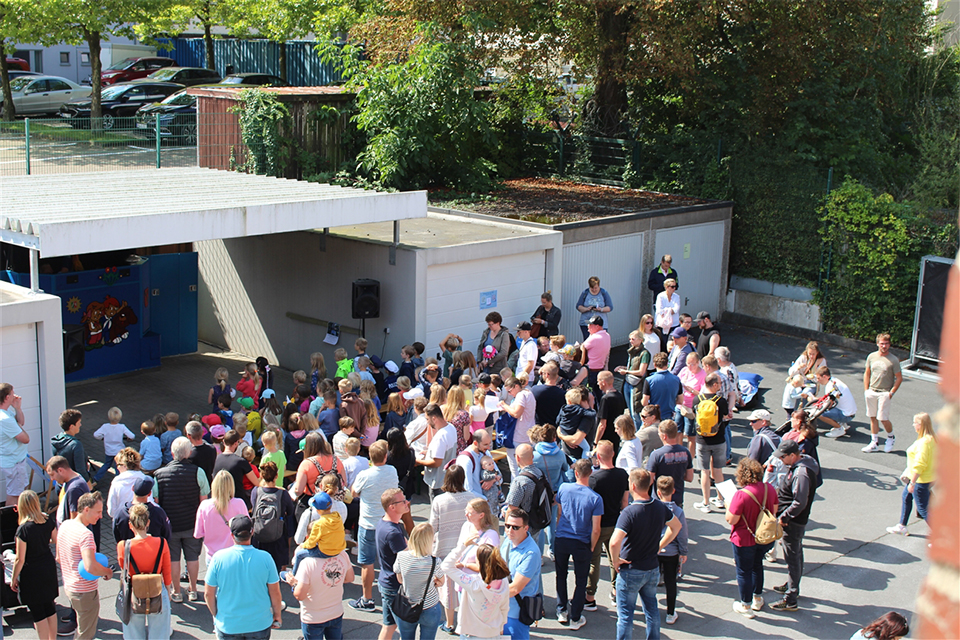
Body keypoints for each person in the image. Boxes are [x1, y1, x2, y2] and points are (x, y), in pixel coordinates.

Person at [610, 469, 681, 640]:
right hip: (652, 569)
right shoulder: (659, 507)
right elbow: (676, 526)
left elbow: (614, 542)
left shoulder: (629, 512)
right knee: (652, 610)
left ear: (633, 486)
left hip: (631, 570)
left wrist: (615, 561)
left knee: (626, 616)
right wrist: (659, 545)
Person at [205, 515, 283, 639]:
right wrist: (277, 615)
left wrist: (217, 615)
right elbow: (275, 592)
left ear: (232, 535)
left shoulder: (218, 558)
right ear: (252, 532)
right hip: (259, 624)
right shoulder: (266, 558)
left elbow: (208, 593)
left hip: (228, 625)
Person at [153, 436, 209, 603]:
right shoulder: (198, 472)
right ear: (189, 453)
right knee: (192, 558)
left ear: (171, 453)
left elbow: (157, 503)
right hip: (192, 524)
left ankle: (176, 591)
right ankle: (193, 590)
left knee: (173, 560)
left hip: (170, 526)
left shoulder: (159, 474)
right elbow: (203, 501)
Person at [284, 510, 355, 640]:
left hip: (313, 617)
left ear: (309, 537)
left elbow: (300, 595)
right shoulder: (342, 554)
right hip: (336, 612)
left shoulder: (307, 563)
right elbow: (350, 578)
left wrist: (293, 583)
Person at [350, 440, 400, 611]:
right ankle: (394, 593)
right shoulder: (392, 471)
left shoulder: (365, 475)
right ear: (386, 456)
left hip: (368, 524)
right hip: (388, 522)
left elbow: (354, 493)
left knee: (367, 563)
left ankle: (367, 599)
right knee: (391, 560)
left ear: (370, 458)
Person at [770, 439, 820, 611]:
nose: (781, 460)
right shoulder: (804, 463)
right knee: (796, 553)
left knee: (792, 557)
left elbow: (799, 502)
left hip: (793, 522)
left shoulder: (801, 473)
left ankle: (791, 597)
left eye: (783, 457)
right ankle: (792, 585)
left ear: (793, 455)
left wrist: (784, 517)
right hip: (794, 519)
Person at [725, 458, 778, 619]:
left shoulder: (741, 495)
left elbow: (731, 519)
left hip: (744, 539)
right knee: (757, 566)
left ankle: (745, 605)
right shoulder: (769, 488)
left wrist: (729, 506)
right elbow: (774, 511)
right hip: (764, 537)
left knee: (743, 571)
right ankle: (757, 598)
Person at [56, 491, 113, 640]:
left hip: (70, 587)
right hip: (85, 592)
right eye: (98, 512)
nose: (100, 516)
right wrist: (107, 571)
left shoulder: (65, 525)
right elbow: (90, 567)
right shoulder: (85, 535)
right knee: (86, 633)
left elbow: (58, 557)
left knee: (81, 628)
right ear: (86, 509)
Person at [555, 458, 603, 630]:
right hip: (582, 541)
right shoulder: (596, 498)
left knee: (561, 575)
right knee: (581, 579)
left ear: (575, 473)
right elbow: (596, 529)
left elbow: (560, 514)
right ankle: (576, 616)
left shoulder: (563, 488)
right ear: (590, 473)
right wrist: (592, 545)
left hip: (562, 539)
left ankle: (561, 610)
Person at [428, 466, 475, 633]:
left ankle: (449, 623)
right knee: (466, 583)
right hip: (466, 549)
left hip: (445, 548)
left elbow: (433, 527)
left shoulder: (439, 501)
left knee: (448, 588)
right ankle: (466, 620)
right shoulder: (472, 498)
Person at [117, 503, 173, 640]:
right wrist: (168, 590)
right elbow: (166, 570)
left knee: (133, 634)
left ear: (130, 525)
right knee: (160, 634)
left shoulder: (123, 546)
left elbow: (123, 568)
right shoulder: (161, 542)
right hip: (158, 590)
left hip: (133, 593)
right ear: (148, 522)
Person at [586, 442, 629, 612]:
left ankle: (590, 597)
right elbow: (625, 503)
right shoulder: (622, 475)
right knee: (615, 560)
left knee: (594, 561)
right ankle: (616, 592)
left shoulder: (594, 479)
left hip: (598, 525)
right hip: (616, 524)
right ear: (613, 454)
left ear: (598, 457)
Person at [10, 490, 58, 640]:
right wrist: (42, 542)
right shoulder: (47, 519)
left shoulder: (23, 529)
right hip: (48, 566)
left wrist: (13, 578)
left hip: (32, 572)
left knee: (38, 612)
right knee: (50, 607)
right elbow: (55, 540)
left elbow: (20, 559)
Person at [440, 539, 511, 638]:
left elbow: (446, 565)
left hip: (472, 634)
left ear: (480, 563)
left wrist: (463, 545)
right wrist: (501, 627)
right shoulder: (503, 581)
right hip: (493, 633)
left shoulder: (473, 583)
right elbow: (504, 608)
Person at [887, 412, 937, 535]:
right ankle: (902, 525)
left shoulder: (924, 442)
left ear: (920, 425)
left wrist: (913, 482)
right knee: (906, 497)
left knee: (923, 508)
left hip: (920, 480)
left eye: (915, 423)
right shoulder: (931, 439)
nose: (913, 425)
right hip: (926, 478)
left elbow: (920, 464)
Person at [394, 523, 445, 640]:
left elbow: (400, 579)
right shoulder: (435, 562)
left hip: (407, 606)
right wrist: (434, 582)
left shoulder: (401, 556)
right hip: (430, 607)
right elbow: (441, 582)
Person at [375, 488, 412, 640]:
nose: (407, 503)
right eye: (402, 501)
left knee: (389, 625)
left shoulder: (385, 523)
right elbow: (407, 559)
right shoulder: (393, 533)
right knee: (405, 630)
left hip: (386, 582)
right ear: (392, 507)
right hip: (395, 587)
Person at [500, 508, 542, 640]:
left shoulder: (531, 553)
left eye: (515, 527)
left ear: (526, 528)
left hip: (516, 613)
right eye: (507, 526)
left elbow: (516, 588)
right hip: (501, 608)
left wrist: (488, 595)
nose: (510, 530)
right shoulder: (508, 540)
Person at [692, 374, 730, 514]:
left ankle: (706, 502)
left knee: (705, 471)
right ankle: (720, 499)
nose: (720, 385)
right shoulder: (721, 401)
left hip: (702, 441)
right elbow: (725, 416)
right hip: (719, 440)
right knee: (718, 470)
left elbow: (694, 416)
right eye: (719, 383)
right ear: (714, 385)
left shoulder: (697, 399)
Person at [290, 431, 347, 521]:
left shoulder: (306, 464)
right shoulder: (336, 459)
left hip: (313, 503)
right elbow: (344, 482)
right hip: (335, 502)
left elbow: (298, 490)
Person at [251, 461, 297, 571]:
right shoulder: (283, 493)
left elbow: (253, 508)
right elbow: (290, 511)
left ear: (261, 475)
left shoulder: (256, 491)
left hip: (260, 533)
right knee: (275, 566)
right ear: (276, 475)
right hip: (278, 535)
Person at [194, 470, 248, 564]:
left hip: (213, 557)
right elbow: (247, 527)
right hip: (235, 556)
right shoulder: (239, 503)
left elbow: (198, 533)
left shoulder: (205, 506)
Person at [530, 424, 568, 557]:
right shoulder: (560, 454)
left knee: (539, 525)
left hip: (539, 493)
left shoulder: (534, 456)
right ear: (554, 438)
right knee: (552, 523)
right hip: (554, 493)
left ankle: (539, 554)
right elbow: (565, 468)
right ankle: (552, 550)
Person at [863, 333, 903, 453]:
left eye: (886, 343)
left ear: (889, 345)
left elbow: (899, 378)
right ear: (877, 344)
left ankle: (890, 437)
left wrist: (891, 393)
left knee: (883, 418)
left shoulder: (893, 360)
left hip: (884, 393)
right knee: (873, 417)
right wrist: (866, 390)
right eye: (882, 343)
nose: (884, 346)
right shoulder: (871, 357)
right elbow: (867, 373)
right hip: (872, 391)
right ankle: (874, 442)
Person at [654, 477, 687, 625]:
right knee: (671, 582)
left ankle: (651, 610)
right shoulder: (678, 511)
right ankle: (670, 612)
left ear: (658, 492)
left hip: (654, 551)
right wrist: (683, 551)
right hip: (672, 552)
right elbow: (682, 533)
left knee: (650, 582)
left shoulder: (653, 508)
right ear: (673, 491)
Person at [645, 419, 694, 507]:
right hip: (677, 499)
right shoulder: (685, 452)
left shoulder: (657, 454)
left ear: (664, 436)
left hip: (659, 499)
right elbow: (690, 477)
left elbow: (649, 480)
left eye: (659, 433)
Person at [416, 403, 458, 503]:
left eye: (427, 419)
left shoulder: (440, 437)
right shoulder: (451, 427)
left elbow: (436, 463)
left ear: (434, 418)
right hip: (447, 478)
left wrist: (418, 461)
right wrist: (429, 452)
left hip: (438, 481)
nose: (427, 422)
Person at [497, 377, 537, 482]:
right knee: (527, 467)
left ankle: (516, 491)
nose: (509, 394)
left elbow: (516, 413)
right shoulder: (529, 392)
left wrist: (504, 405)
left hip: (519, 436)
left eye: (510, 391)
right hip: (527, 434)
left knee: (515, 469)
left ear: (516, 386)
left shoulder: (521, 395)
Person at [113, 476, 172, 544]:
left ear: (132, 488)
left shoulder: (121, 513)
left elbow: (117, 536)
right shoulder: (158, 513)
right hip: (154, 552)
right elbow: (167, 535)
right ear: (149, 493)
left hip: (128, 552)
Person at [0, 383, 28, 506]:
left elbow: (21, 422)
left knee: (19, 492)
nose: (15, 396)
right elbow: (25, 439)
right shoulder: (4, 419)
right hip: (14, 463)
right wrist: (19, 427)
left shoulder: (6, 413)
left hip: (15, 461)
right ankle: (10, 523)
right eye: (12, 394)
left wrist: (17, 408)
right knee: (15, 496)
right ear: (7, 397)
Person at [782, 341, 826, 415]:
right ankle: (794, 413)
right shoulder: (803, 357)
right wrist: (798, 367)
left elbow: (821, 377)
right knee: (796, 391)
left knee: (806, 393)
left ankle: (805, 412)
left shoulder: (821, 361)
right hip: (800, 380)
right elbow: (791, 373)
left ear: (817, 353)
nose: (811, 356)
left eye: (813, 354)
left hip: (811, 383)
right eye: (810, 354)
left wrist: (814, 376)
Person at [816, 367, 858, 438]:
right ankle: (842, 423)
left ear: (825, 377)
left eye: (818, 378)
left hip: (846, 414)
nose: (818, 380)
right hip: (850, 412)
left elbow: (829, 404)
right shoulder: (834, 380)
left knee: (819, 413)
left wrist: (816, 401)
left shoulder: (830, 386)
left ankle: (839, 428)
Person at [641, 352, 683, 420]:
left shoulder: (649, 380)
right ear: (667, 364)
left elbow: (644, 402)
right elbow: (680, 401)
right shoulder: (676, 380)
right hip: (669, 416)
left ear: (654, 365)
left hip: (653, 417)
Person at [52, 408, 90, 482]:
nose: (80, 425)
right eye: (79, 423)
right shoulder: (76, 445)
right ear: (72, 426)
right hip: (74, 484)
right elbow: (80, 470)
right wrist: (89, 485)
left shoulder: (56, 441)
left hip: (61, 484)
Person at [580, 316, 612, 402]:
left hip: (590, 370)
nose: (588, 327)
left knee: (588, 394)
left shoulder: (594, 338)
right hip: (600, 369)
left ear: (597, 326)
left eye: (590, 325)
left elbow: (582, 347)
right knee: (599, 394)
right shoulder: (607, 335)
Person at [456, 429, 493, 498]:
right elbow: (467, 489)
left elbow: (499, 476)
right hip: (476, 503)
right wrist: (484, 499)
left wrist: (492, 480)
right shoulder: (465, 459)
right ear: (475, 443)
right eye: (485, 445)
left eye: (489, 444)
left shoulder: (486, 453)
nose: (488, 447)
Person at [595, 371, 625, 451]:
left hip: (605, 438)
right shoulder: (620, 395)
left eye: (598, 381)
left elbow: (602, 425)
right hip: (616, 436)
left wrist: (596, 442)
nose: (597, 383)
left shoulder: (605, 399)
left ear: (603, 382)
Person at [531, 362, 566, 427]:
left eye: (542, 373)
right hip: (554, 429)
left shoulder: (535, 390)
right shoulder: (563, 394)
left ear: (547, 375)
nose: (541, 375)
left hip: (538, 428)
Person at [654, 279, 681, 346]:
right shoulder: (660, 296)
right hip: (662, 324)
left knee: (672, 343)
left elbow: (676, 309)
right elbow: (659, 310)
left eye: (675, 286)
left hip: (674, 324)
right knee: (662, 343)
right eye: (672, 286)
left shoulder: (677, 296)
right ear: (666, 287)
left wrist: (666, 310)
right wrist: (669, 310)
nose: (674, 288)